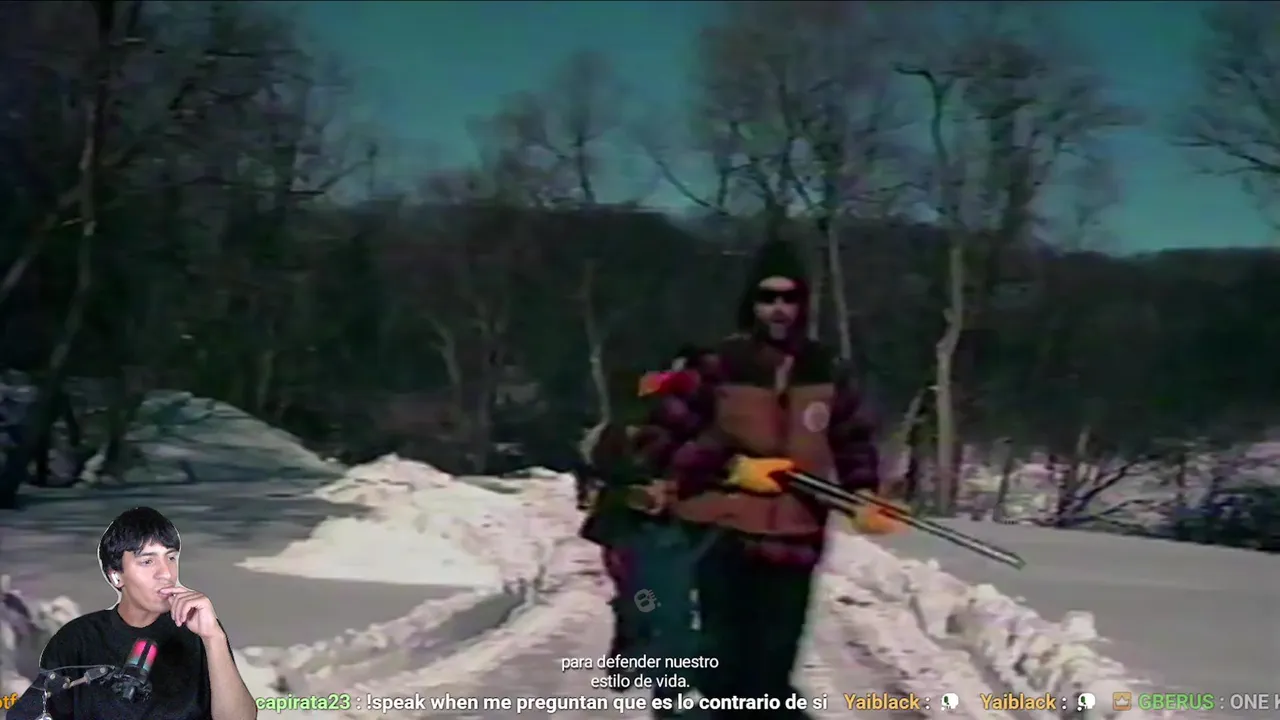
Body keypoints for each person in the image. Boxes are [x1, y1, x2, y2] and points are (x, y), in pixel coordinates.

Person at [632, 239, 904, 720]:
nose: (779, 309)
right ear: (750, 302)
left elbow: (852, 439)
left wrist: (863, 493)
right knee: (723, 668)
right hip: (721, 535)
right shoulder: (715, 366)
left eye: (789, 297)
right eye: (767, 297)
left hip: (796, 537)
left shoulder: (826, 369)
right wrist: (731, 468)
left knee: (772, 670)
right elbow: (659, 445)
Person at [7, 507, 258, 720]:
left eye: (171, 558)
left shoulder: (198, 630)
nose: (166, 573)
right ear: (116, 576)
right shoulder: (77, 639)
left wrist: (214, 638)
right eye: (147, 561)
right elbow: (28, 712)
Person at [573, 346, 706, 696]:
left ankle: (641, 653)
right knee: (656, 606)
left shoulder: (671, 427)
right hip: (641, 537)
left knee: (651, 603)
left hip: (652, 537)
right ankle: (657, 669)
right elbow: (593, 486)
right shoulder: (628, 432)